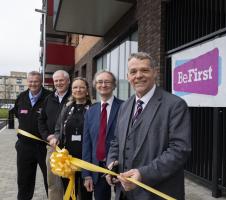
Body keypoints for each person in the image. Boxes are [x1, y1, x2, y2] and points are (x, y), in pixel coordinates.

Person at [106, 52, 192, 200]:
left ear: (155, 73)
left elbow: (179, 150)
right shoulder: (125, 106)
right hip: (124, 193)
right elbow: (116, 141)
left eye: (144, 70)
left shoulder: (175, 105)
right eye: (133, 72)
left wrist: (143, 174)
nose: (138, 75)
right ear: (128, 77)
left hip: (157, 193)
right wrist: (111, 163)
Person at [82, 70, 123, 200]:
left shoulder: (125, 106)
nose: (103, 85)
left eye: (107, 82)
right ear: (95, 85)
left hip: (119, 165)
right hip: (97, 166)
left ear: (114, 85)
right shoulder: (91, 111)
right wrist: (86, 174)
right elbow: (87, 144)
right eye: (100, 82)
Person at [14, 71, 51, 200]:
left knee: (50, 180)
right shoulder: (21, 97)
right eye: (30, 81)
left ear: (41, 82)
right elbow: (17, 114)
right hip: (24, 147)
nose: (33, 84)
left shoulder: (49, 97)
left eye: (36, 81)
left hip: (44, 147)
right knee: (24, 180)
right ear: (27, 82)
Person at [54, 77, 92, 199]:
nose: (78, 90)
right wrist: (55, 138)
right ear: (72, 90)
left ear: (87, 91)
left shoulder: (94, 108)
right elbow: (58, 128)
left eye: (82, 87)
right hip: (67, 158)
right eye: (75, 87)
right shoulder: (67, 108)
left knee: (86, 193)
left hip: (86, 158)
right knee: (69, 191)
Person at [38, 70, 71, 199]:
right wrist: (48, 136)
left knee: (70, 181)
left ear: (68, 81)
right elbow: (41, 120)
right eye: (56, 80)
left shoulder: (74, 96)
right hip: (52, 147)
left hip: (71, 147)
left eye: (61, 80)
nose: (58, 83)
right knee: (53, 183)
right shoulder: (49, 99)